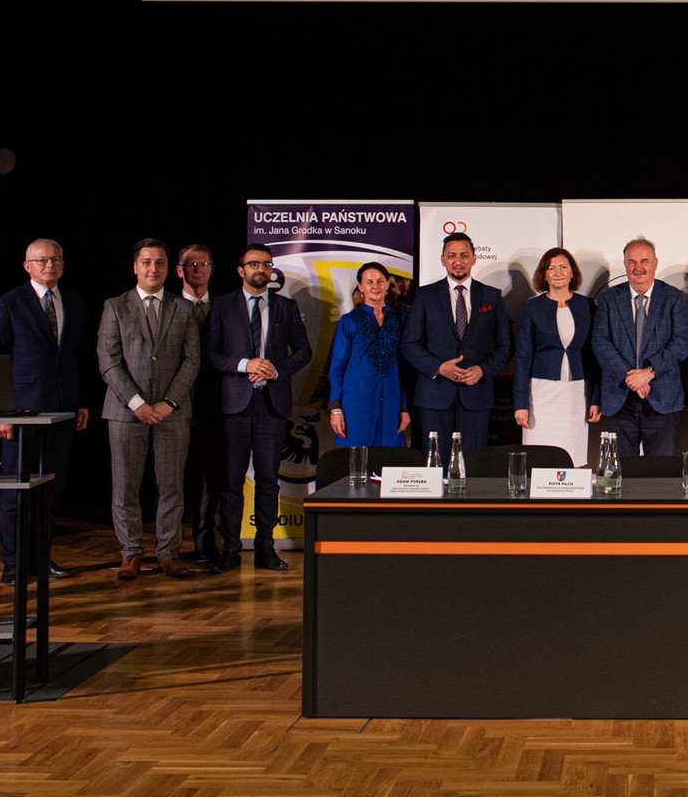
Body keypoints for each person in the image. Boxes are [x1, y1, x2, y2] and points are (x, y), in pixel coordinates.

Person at [97, 238, 200, 580]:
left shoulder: (183, 308)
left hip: (173, 413)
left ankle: (168, 553)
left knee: (171, 485)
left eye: (159, 263)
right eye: (146, 262)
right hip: (126, 412)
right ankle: (130, 553)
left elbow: (192, 360)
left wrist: (168, 403)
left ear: (169, 269)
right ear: (135, 267)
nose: (153, 269)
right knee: (125, 486)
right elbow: (109, 362)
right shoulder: (115, 306)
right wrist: (138, 404)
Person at [0, 238, 88, 585]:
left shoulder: (74, 302)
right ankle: (13, 563)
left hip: (62, 410)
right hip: (21, 412)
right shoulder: (9, 302)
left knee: (50, 490)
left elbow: (77, 358)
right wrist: (0, 412)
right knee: (16, 490)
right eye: (42, 260)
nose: (49, 265)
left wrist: (80, 402)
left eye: (56, 259)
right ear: (27, 265)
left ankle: (40, 557)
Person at [207, 243, 312, 573]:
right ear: (241, 270)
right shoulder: (222, 305)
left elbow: (304, 351)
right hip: (234, 406)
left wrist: (275, 369)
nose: (261, 270)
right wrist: (245, 365)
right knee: (231, 482)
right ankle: (231, 548)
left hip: (271, 406)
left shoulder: (285, 307)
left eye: (266, 264)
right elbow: (210, 354)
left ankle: (266, 547)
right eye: (254, 264)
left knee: (268, 480)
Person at [402, 232, 512, 454]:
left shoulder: (491, 296)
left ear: (474, 259)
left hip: (476, 394)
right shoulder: (425, 295)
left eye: (464, 255)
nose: (458, 261)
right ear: (443, 259)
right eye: (452, 255)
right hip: (435, 394)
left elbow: (506, 345)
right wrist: (438, 367)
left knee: (473, 463)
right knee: (435, 463)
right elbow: (409, 344)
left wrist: (483, 370)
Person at [591, 238, 688, 456]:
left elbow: (681, 343)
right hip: (619, 398)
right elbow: (600, 341)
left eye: (644, 261)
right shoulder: (608, 299)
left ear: (655, 263)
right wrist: (631, 378)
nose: (638, 268)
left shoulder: (673, 297)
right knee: (620, 470)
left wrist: (649, 372)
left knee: (661, 471)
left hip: (663, 398)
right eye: (632, 262)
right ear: (625, 265)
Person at [513, 248, 600, 466]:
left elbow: (595, 355)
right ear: (544, 274)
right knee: (540, 457)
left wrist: (596, 399)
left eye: (563, 267)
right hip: (540, 393)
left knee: (572, 457)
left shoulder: (587, 306)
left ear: (572, 272)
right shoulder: (533, 307)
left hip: (576, 393)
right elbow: (523, 357)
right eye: (551, 268)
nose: (558, 272)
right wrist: (520, 404)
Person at [328, 262, 410, 449]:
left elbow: (405, 367)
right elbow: (337, 367)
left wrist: (404, 407)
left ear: (387, 285)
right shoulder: (349, 321)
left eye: (380, 281)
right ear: (361, 287)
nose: (375, 286)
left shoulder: (399, 319)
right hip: (356, 403)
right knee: (357, 458)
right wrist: (335, 408)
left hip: (391, 402)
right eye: (369, 282)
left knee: (389, 458)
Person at [177, 243, 221, 562]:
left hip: (215, 407)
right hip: (174, 405)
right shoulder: (168, 306)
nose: (198, 269)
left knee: (212, 479)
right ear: (179, 270)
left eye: (204, 264)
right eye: (191, 264)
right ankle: (168, 547)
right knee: (173, 480)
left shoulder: (225, 307)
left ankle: (206, 543)